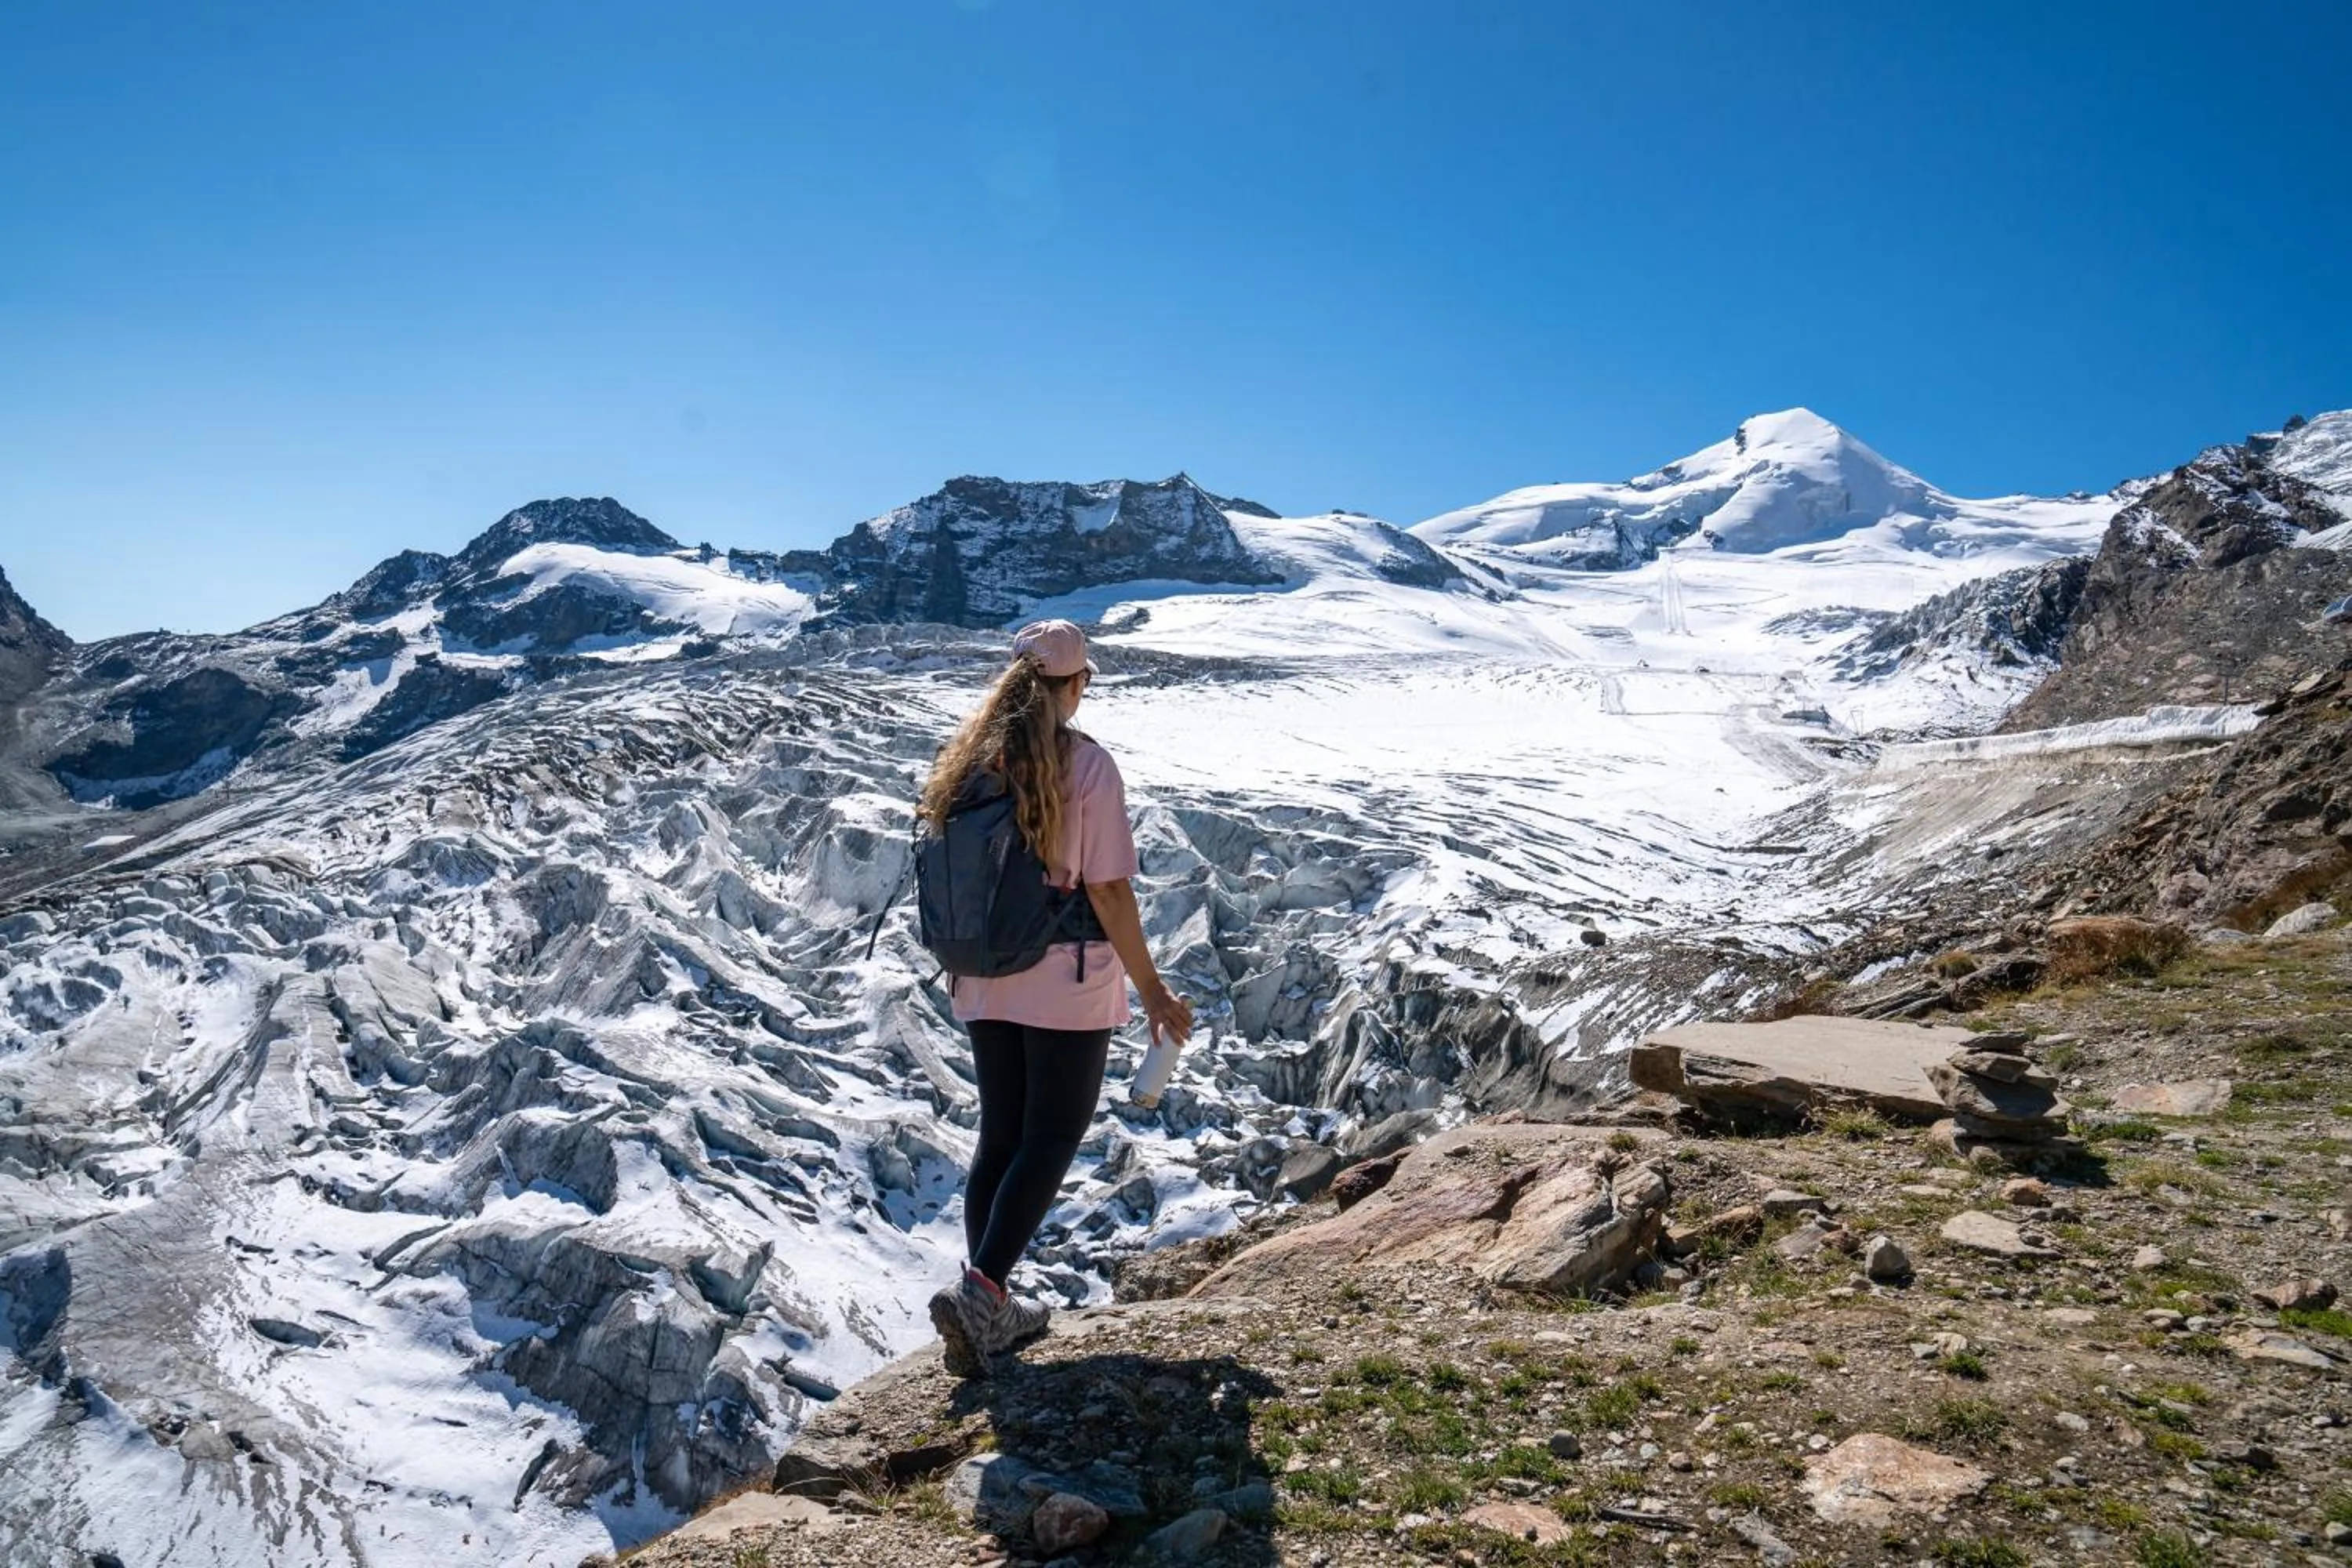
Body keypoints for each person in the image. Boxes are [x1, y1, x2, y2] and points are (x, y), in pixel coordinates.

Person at [919, 619, 1194, 1376]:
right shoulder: (1087, 766)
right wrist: (1153, 989)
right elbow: (1105, 887)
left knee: (1001, 1136)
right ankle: (984, 1293)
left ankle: (988, 1303)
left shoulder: (968, 765)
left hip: (982, 973)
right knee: (1052, 1133)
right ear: (1073, 686)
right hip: (1066, 977)